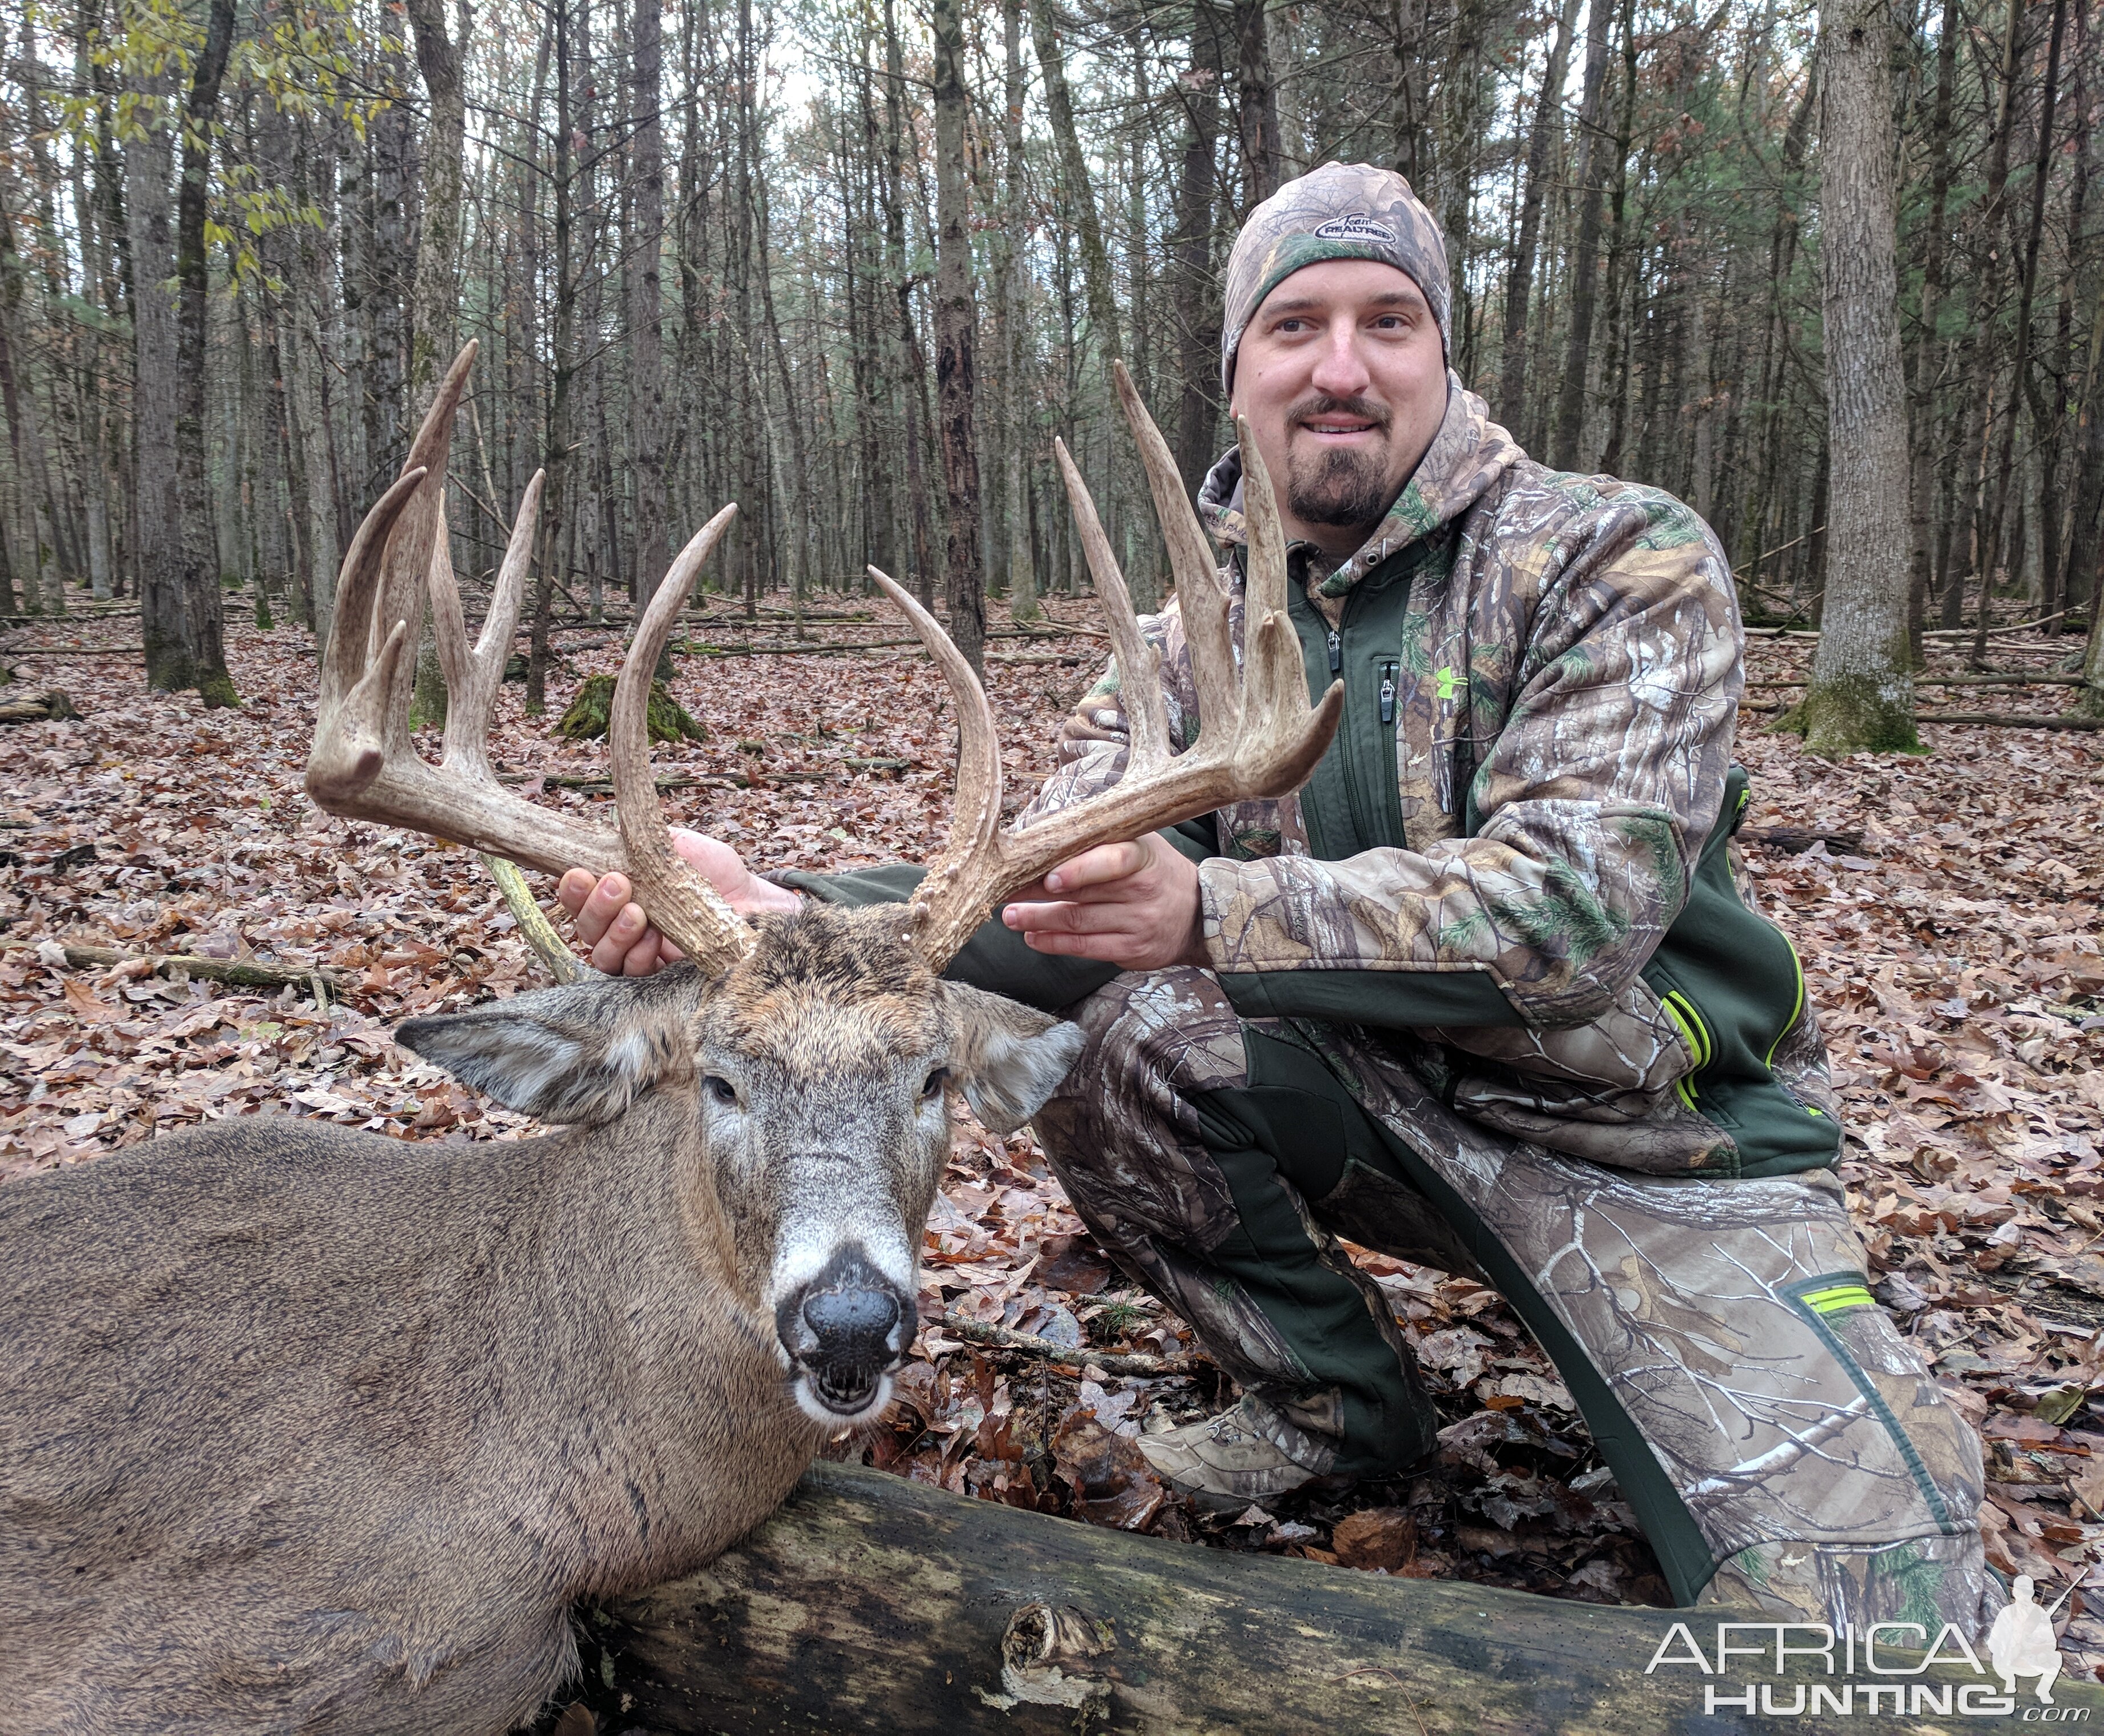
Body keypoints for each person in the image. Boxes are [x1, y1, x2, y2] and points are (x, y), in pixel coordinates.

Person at [556, 161, 1990, 1635]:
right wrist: (768, 912)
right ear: (1239, 370)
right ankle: (1341, 1411)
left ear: (1446, 354)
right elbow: (1043, 890)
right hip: (1368, 1109)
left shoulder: (1615, 556)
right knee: (1119, 1040)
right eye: (1295, 326)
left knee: (1888, 1638)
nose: (1343, 367)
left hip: (1645, 1157)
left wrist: (1211, 916)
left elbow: (1577, 917)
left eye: (1389, 322)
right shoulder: (1191, 642)